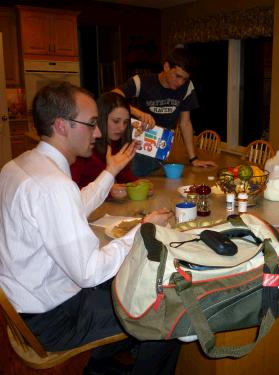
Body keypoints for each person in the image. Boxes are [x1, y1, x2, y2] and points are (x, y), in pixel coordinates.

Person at [0, 82, 180, 374]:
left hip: (29, 306)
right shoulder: (52, 185)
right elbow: (89, 272)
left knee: (129, 281)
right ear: (62, 125)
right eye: (92, 123)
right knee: (168, 311)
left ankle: (104, 361)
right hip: (54, 319)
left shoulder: (20, 165)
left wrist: (109, 172)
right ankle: (116, 355)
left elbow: (71, 208)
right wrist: (143, 228)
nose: (98, 133)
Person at [113, 47, 217, 176]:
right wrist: (139, 113)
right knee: (135, 176)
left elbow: (185, 123)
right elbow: (113, 97)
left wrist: (193, 159)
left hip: (163, 149)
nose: (180, 82)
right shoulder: (142, 82)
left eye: (184, 79)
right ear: (167, 66)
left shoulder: (187, 87)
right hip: (139, 147)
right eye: (177, 76)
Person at [71, 91, 137, 189]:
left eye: (126, 122)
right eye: (116, 121)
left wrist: (137, 184)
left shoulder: (117, 143)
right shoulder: (83, 148)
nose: (122, 127)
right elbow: (71, 191)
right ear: (101, 119)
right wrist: (108, 191)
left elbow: (125, 177)